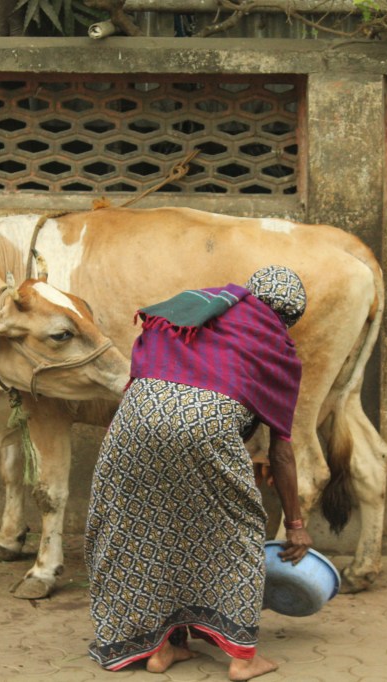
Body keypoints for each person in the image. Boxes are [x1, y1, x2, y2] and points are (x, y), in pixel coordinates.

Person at [85, 265, 315, 681]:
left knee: (151, 527)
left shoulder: (195, 308)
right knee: (240, 531)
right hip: (201, 427)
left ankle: (163, 649)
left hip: (130, 424)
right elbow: (281, 454)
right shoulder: (273, 345)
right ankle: (243, 659)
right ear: (288, 316)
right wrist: (295, 524)